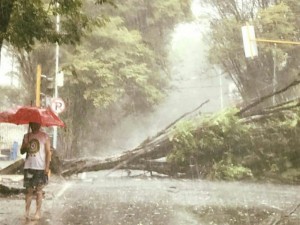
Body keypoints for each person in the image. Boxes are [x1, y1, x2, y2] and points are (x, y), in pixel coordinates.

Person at [20, 122, 51, 221]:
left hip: (40, 168)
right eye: (33, 124)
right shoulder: (26, 136)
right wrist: (25, 145)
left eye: (37, 124)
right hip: (29, 167)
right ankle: (27, 211)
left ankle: (37, 211)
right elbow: (22, 151)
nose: (35, 126)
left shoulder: (45, 136)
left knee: (38, 191)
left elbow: (48, 152)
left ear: (40, 125)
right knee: (29, 191)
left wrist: (47, 167)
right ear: (30, 125)